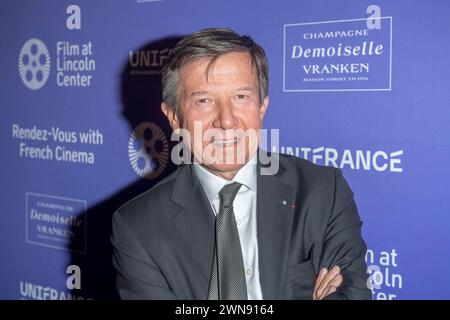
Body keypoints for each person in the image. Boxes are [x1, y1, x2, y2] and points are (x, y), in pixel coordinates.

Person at [111, 28, 372, 300]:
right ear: (174, 117)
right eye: (204, 100)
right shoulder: (138, 226)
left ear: (262, 107)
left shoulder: (323, 193)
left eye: (240, 97)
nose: (226, 120)